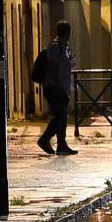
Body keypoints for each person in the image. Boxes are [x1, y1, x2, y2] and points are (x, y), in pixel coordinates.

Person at [37, 21, 77, 155]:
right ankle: (45, 139)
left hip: (62, 86)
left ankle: (61, 145)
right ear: (68, 33)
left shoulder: (64, 46)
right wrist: (58, 84)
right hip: (54, 87)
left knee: (63, 116)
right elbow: (53, 67)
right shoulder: (55, 46)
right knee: (60, 116)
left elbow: (63, 65)